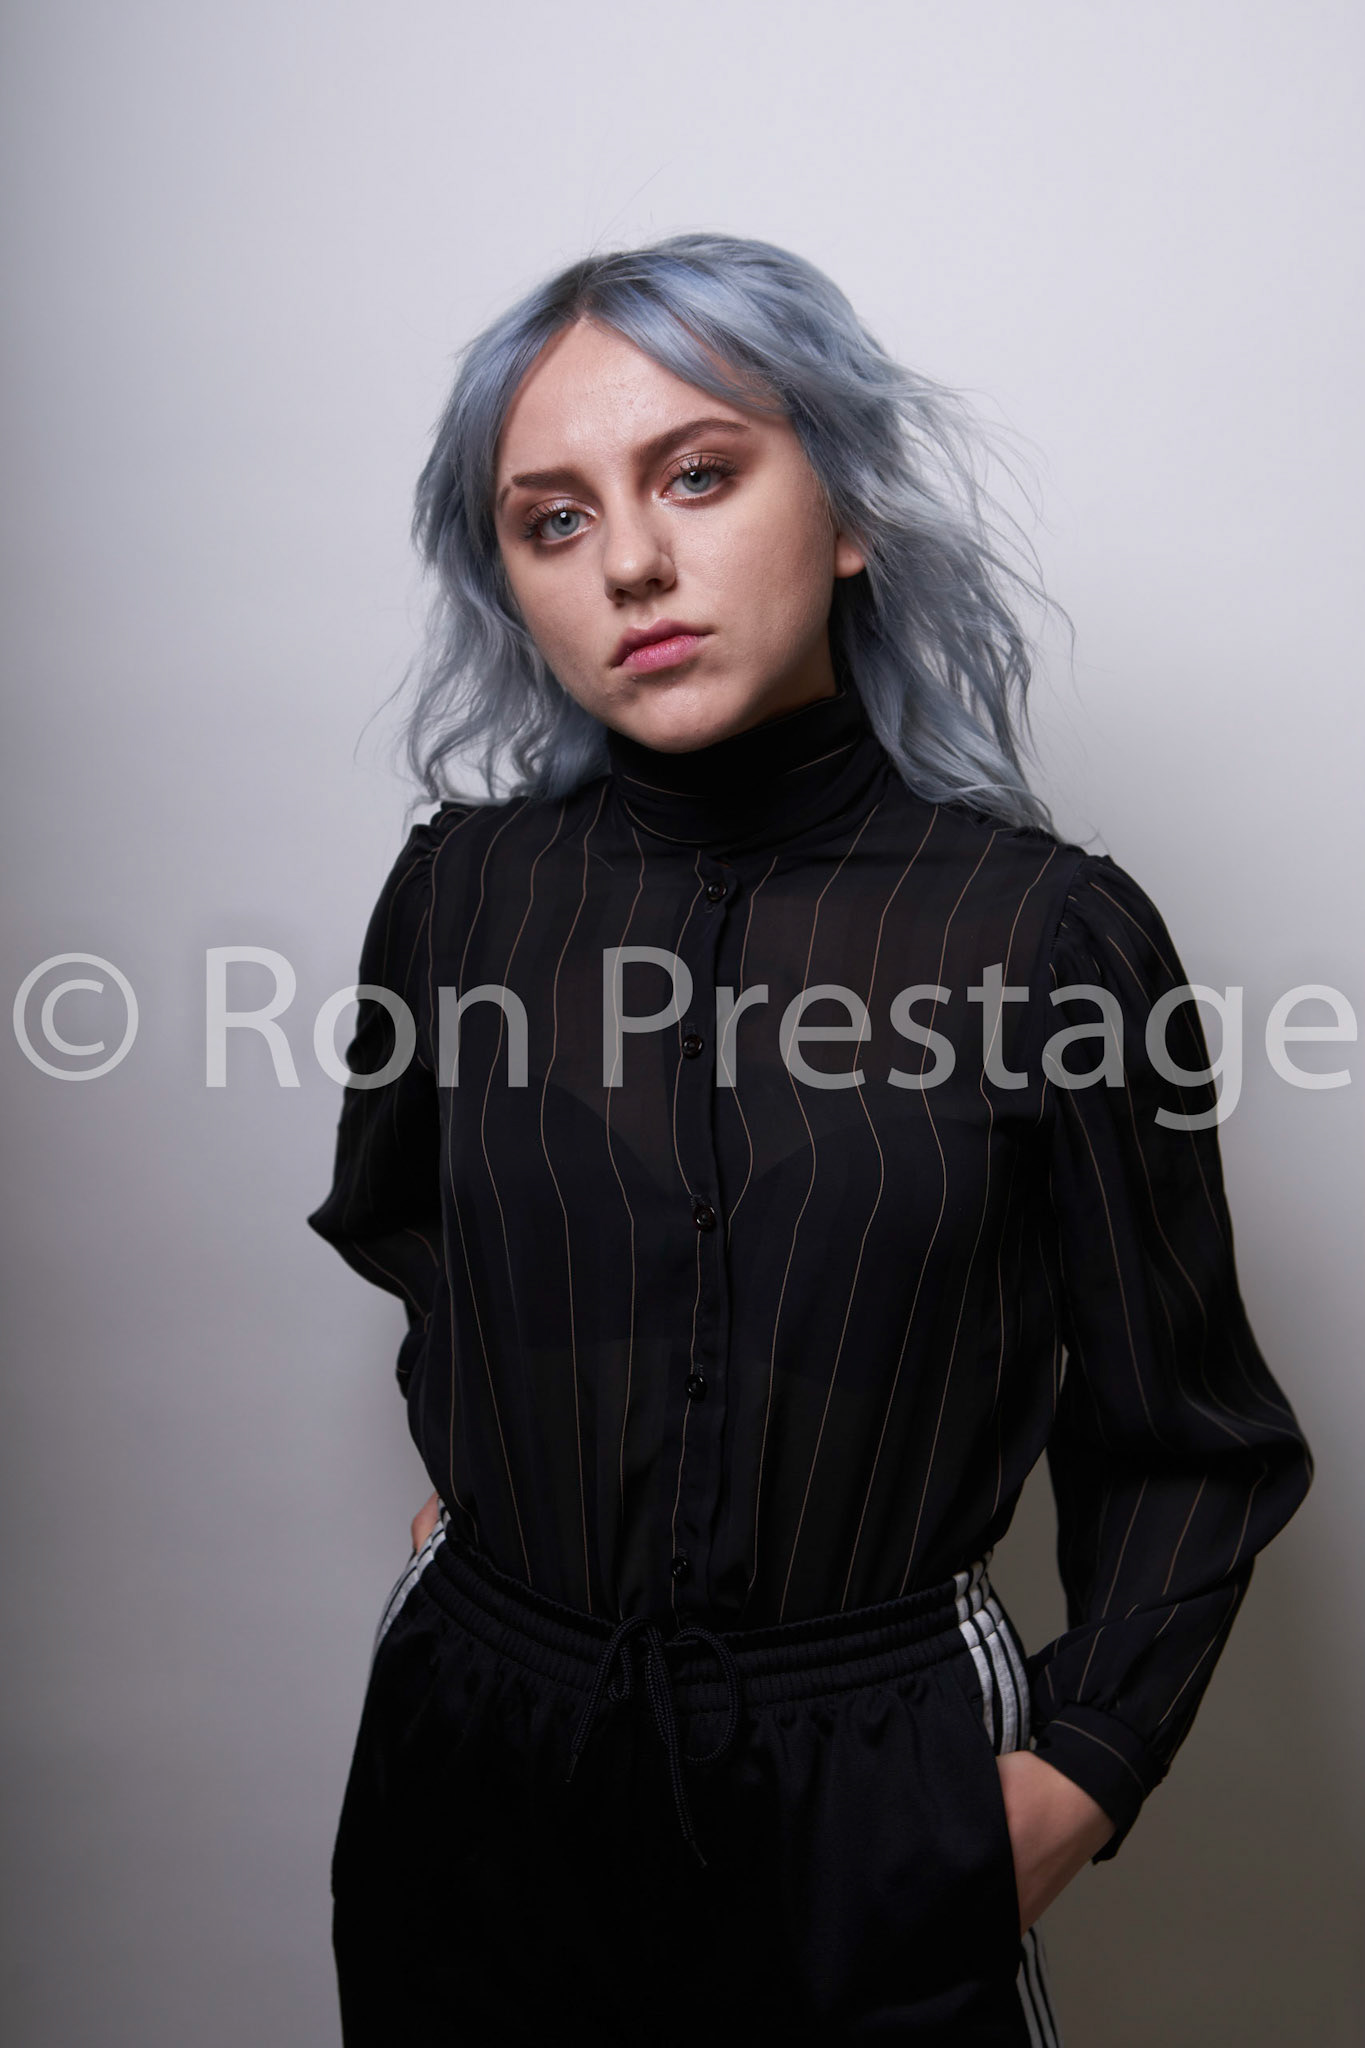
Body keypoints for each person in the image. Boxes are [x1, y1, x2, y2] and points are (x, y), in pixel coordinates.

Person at [306, 233, 1314, 2046]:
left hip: (871, 1773)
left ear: (842, 508)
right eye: (553, 520)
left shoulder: (1049, 940)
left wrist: (1081, 1767)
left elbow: (1187, 1436)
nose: (629, 561)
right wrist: (510, 1476)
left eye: (697, 475)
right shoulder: (461, 899)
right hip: (473, 1755)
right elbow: (412, 1230)